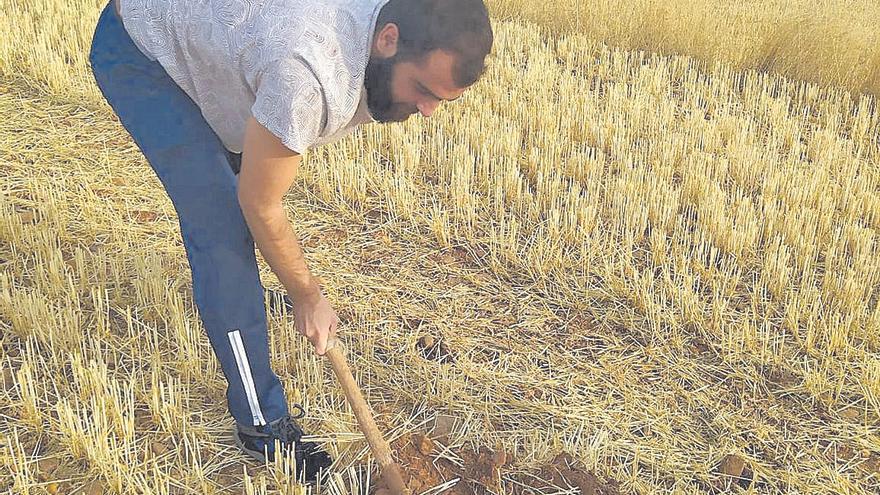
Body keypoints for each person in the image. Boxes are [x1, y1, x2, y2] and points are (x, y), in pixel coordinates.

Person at [88, 0, 493, 484]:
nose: (427, 112)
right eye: (424, 90)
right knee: (224, 228)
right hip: (142, 51)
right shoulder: (307, 74)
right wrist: (308, 296)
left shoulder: (385, 30)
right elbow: (260, 203)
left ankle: (250, 302)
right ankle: (260, 423)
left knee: (244, 189)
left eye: (441, 101)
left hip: (219, 39)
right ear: (387, 39)